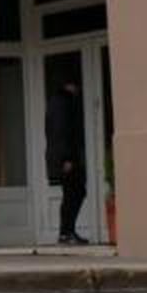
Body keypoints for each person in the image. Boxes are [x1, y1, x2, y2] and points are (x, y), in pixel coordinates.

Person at [46, 79, 89, 245]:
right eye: (76, 85)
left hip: (61, 155)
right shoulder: (62, 103)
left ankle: (67, 232)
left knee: (72, 193)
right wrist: (67, 158)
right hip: (65, 157)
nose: (78, 89)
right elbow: (60, 131)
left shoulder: (57, 102)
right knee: (74, 193)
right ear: (68, 85)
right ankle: (66, 232)